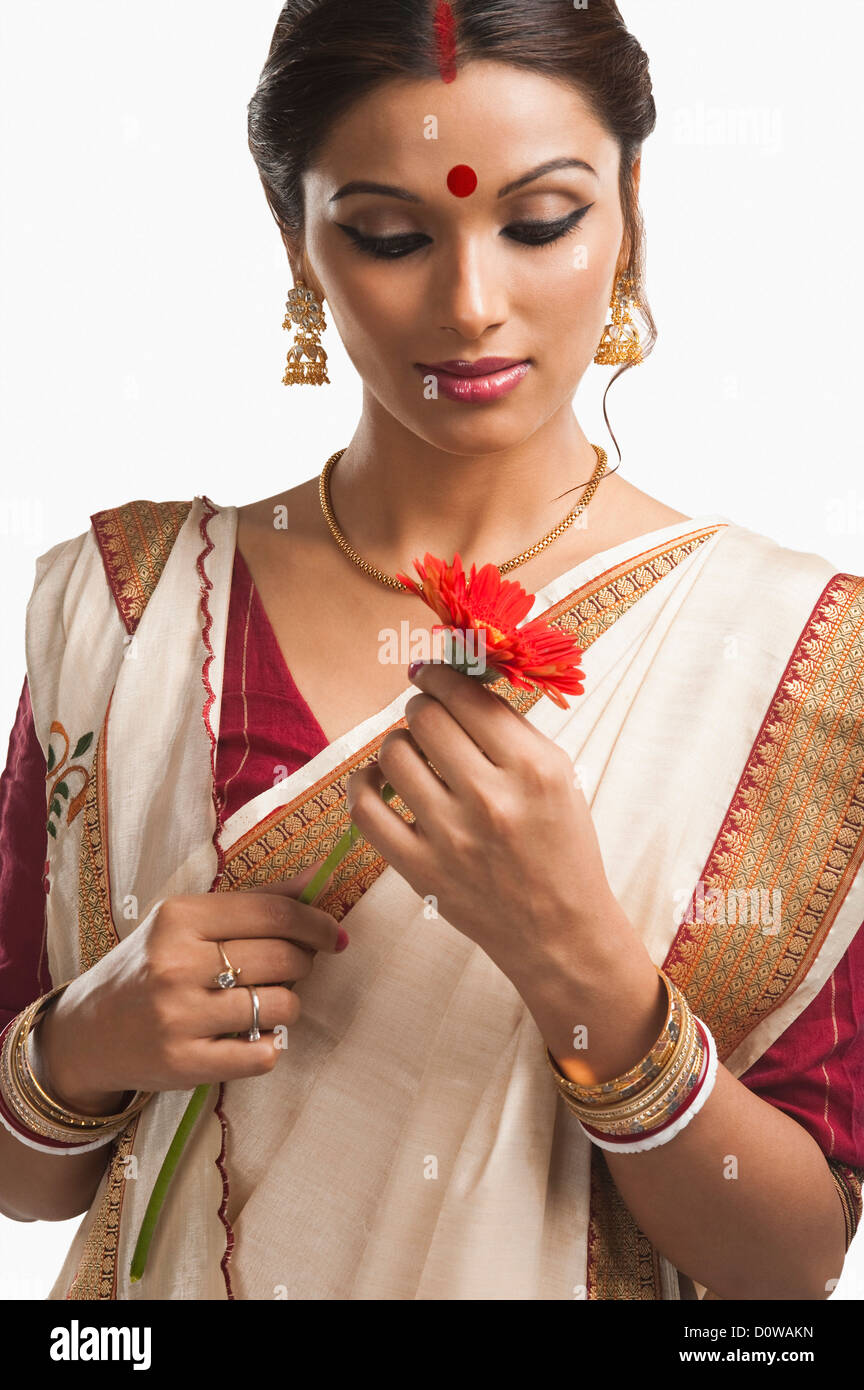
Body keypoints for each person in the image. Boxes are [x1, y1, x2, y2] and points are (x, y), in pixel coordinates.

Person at [1, 0, 861, 1302]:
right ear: (296, 241)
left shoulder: (801, 659)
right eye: (392, 234)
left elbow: (791, 1261)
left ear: (631, 207)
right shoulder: (122, 611)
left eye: (541, 222)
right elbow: (29, 1181)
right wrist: (85, 1039)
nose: (471, 304)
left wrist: (583, 967)